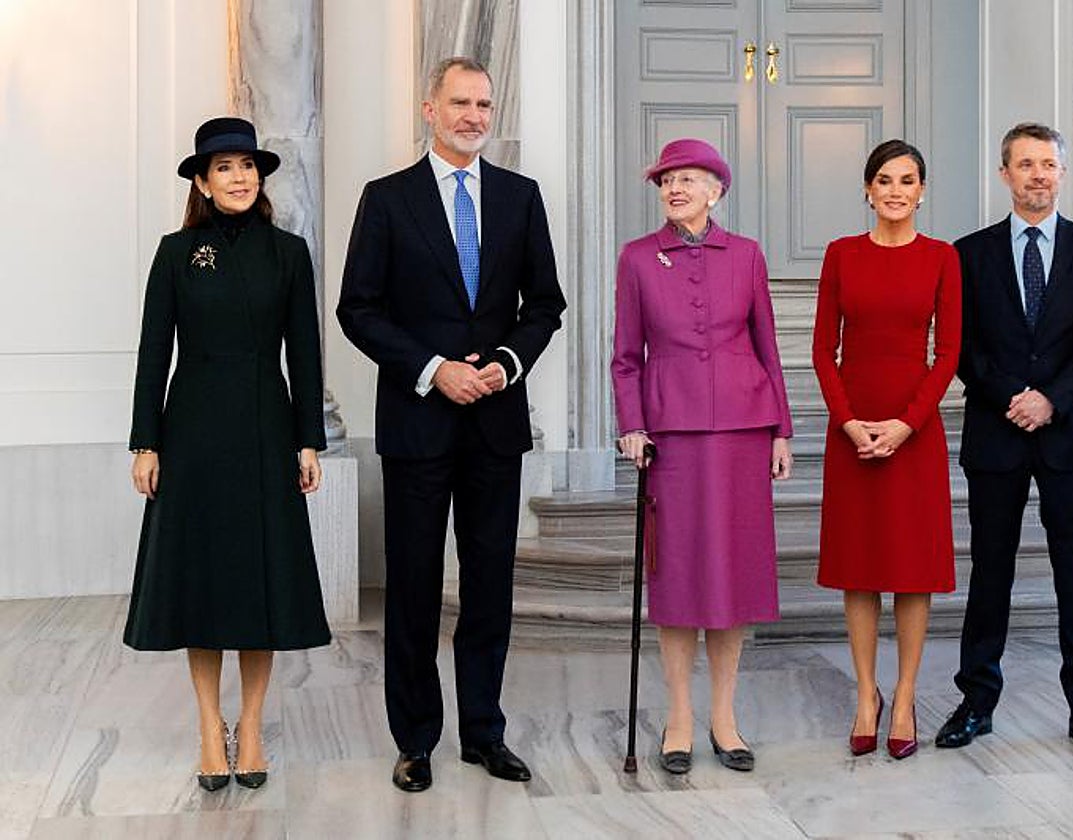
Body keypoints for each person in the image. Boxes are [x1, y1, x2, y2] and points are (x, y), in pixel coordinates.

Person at [337, 57, 566, 793]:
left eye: (485, 105)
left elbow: (545, 305)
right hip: (418, 421)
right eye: (461, 103)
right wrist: (434, 368)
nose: (474, 116)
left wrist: (505, 363)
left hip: (495, 422)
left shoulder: (521, 197)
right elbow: (357, 308)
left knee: (490, 584)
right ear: (429, 110)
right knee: (412, 585)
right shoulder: (387, 199)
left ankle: (484, 733)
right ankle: (415, 740)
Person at [125, 116, 330, 792]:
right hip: (192, 432)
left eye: (248, 166)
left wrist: (308, 440)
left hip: (267, 427)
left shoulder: (289, 253)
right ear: (203, 182)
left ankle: (254, 724)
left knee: (261, 581)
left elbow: (305, 353)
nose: (239, 177)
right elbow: (153, 352)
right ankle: (210, 728)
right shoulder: (175, 252)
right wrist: (146, 442)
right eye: (224, 168)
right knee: (204, 582)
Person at [935, 122, 1073, 758]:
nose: (1038, 174)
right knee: (990, 571)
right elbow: (960, 346)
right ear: (1005, 174)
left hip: (1071, 436)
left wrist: (1050, 399)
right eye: (1025, 164)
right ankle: (976, 702)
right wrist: (1012, 398)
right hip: (998, 434)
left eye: (1047, 163)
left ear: (1062, 172)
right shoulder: (969, 254)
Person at [612, 138, 793, 775]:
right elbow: (625, 356)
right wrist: (632, 424)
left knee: (733, 576)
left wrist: (781, 429)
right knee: (679, 576)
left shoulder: (747, 255)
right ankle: (680, 718)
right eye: (666, 180)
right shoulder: (637, 257)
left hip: (744, 430)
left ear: (716, 190)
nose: (674, 189)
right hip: (673, 435)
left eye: (687, 179)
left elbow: (767, 344)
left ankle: (724, 716)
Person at [812, 139, 962, 760]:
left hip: (913, 431)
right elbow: (823, 349)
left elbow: (947, 353)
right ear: (867, 190)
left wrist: (906, 425)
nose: (895, 191)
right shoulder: (841, 254)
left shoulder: (942, 258)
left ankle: (904, 697)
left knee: (911, 568)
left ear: (922, 191)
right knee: (860, 566)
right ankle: (866, 695)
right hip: (852, 428)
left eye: (907, 180)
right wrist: (848, 422)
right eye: (884, 180)